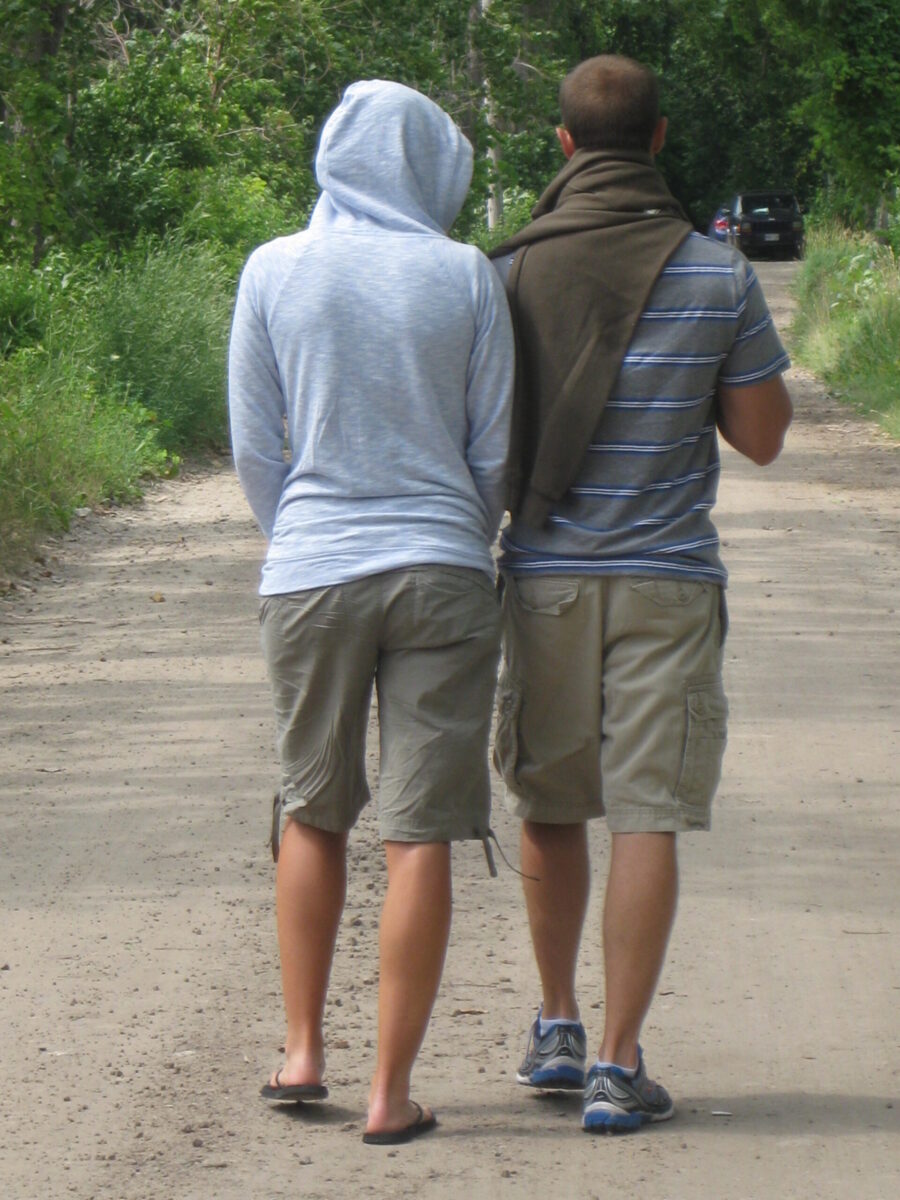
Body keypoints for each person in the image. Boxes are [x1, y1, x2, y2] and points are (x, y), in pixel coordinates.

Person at [489, 55, 792, 1133]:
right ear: (660, 138)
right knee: (647, 814)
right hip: (668, 581)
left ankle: (558, 1025)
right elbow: (761, 439)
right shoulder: (717, 273)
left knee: (550, 801)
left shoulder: (508, 271)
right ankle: (620, 1065)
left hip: (545, 583)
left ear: (564, 145)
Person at [228, 80, 514, 1145]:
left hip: (312, 567)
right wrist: (458, 533)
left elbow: (255, 442)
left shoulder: (272, 268)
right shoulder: (465, 273)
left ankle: (303, 1051)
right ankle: (392, 1095)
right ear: (428, 166)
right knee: (420, 828)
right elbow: (494, 447)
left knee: (313, 806)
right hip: (442, 564)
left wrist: (299, 534)